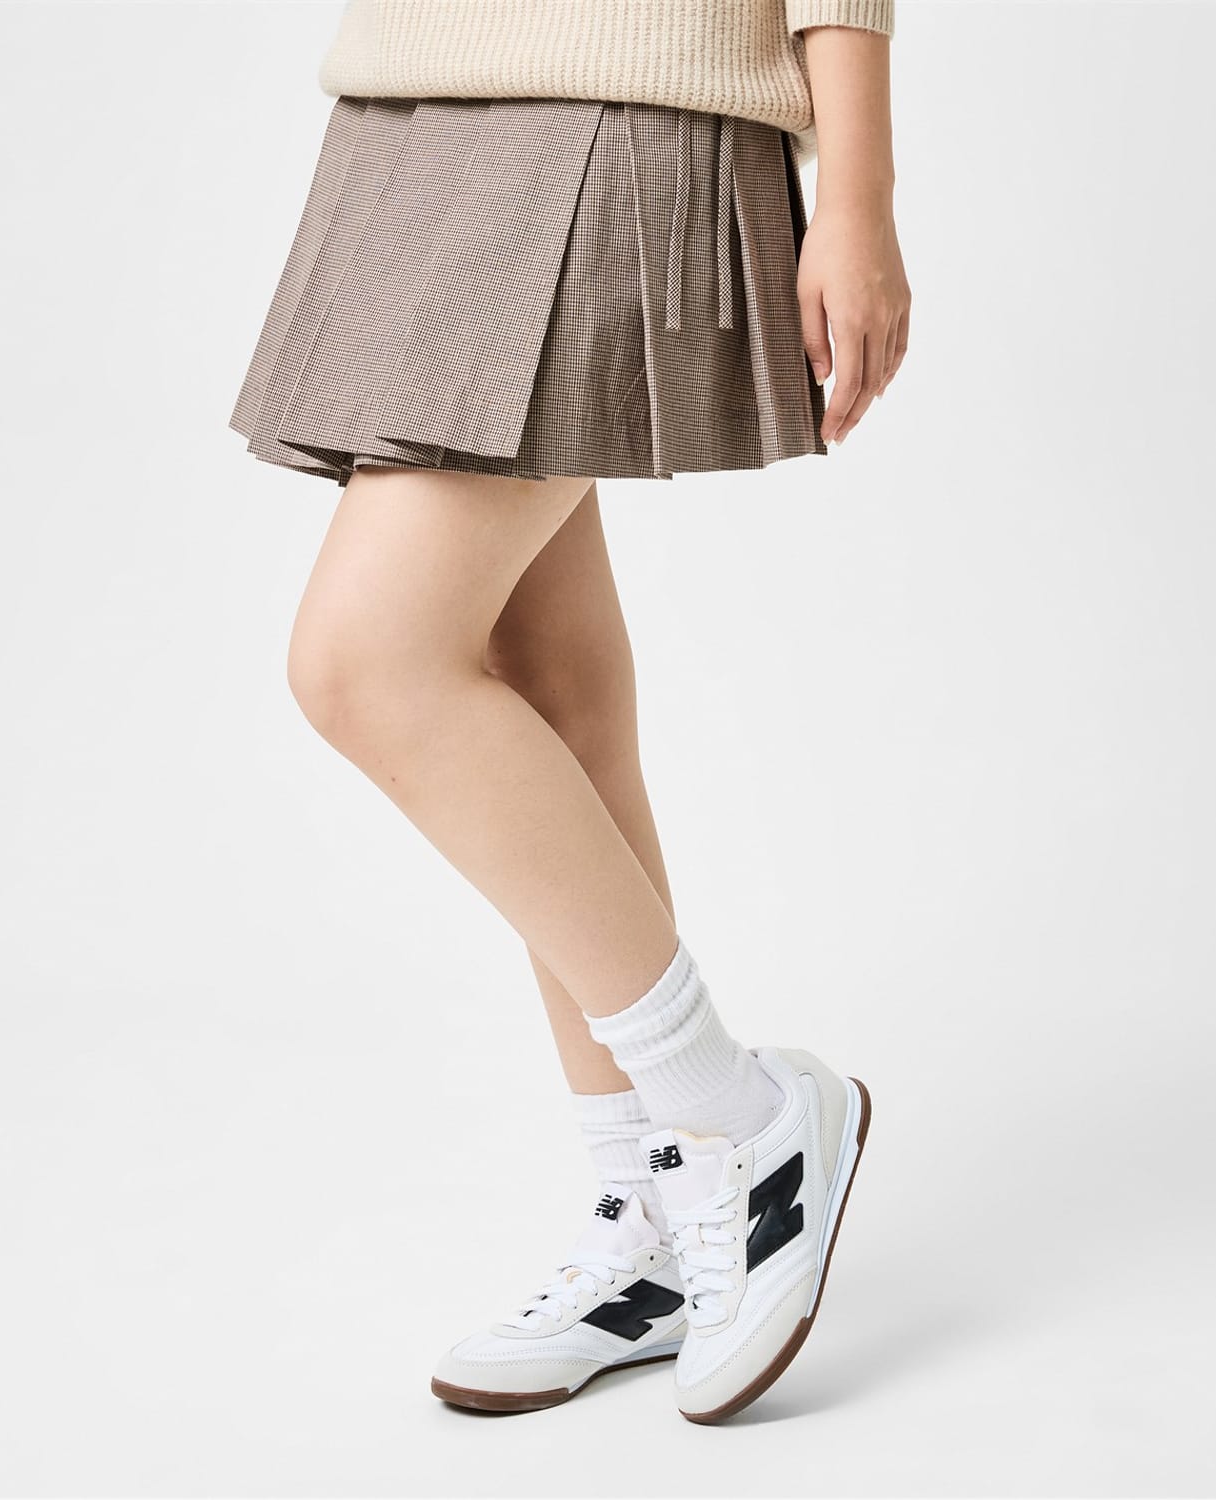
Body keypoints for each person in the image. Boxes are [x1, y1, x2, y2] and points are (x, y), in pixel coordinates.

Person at [229, 0, 908, 1424]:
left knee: (367, 663)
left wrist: (857, 190)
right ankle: (652, 1207)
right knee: (548, 689)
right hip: (410, 108)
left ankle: (741, 1114)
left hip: (615, 95)